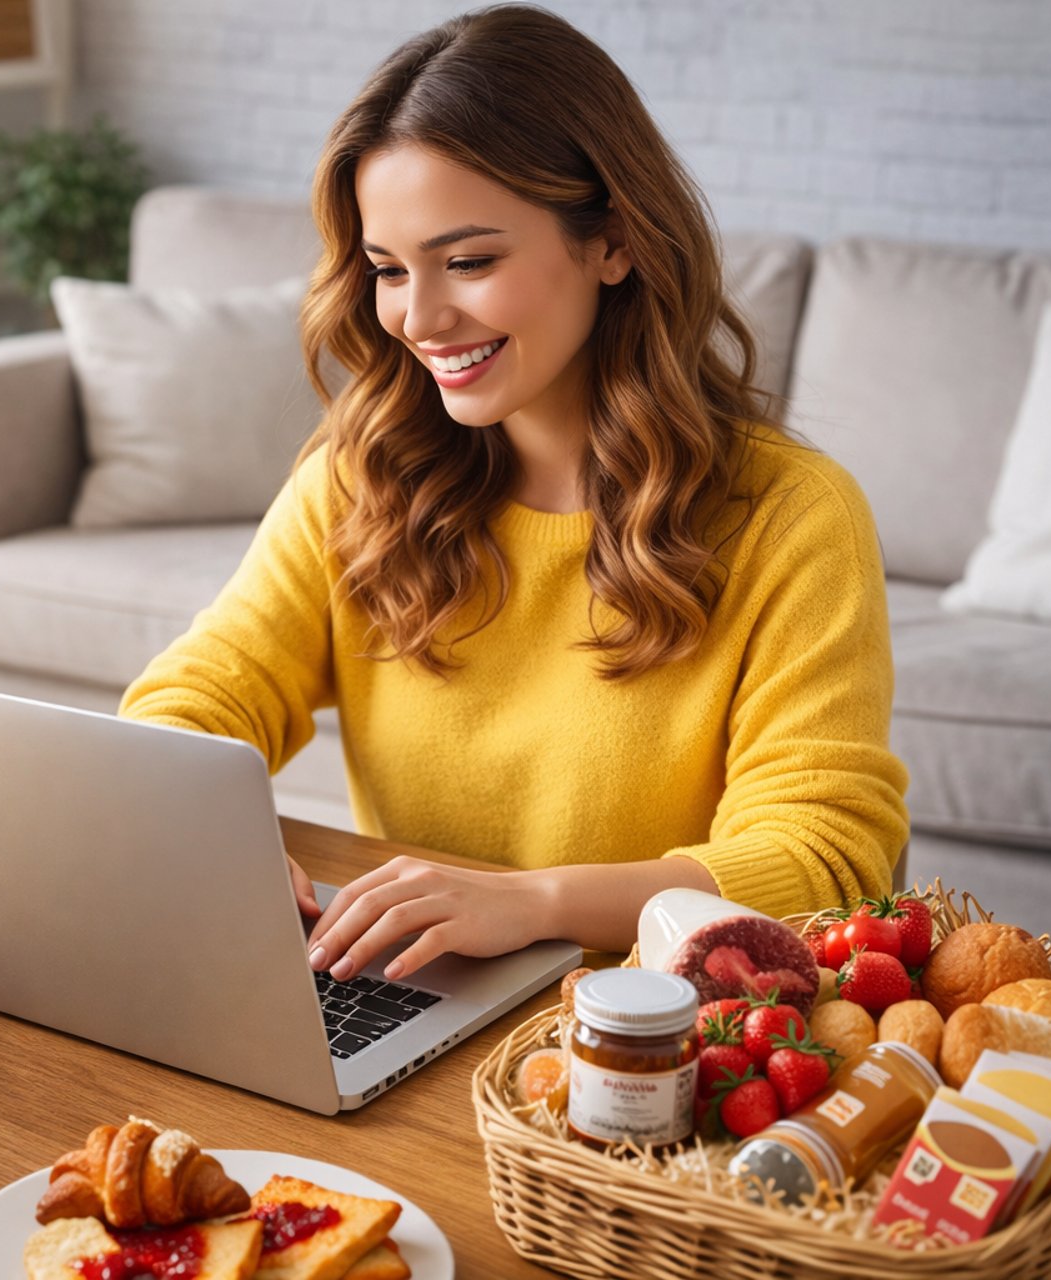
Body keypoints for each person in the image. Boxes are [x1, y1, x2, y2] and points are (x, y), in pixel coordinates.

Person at [119, 5, 909, 980]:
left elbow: (821, 861)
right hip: (417, 998)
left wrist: (531, 903)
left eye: (470, 261)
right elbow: (193, 696)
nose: (420, 315)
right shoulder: (363, 473)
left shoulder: (793, 516)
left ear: (613, 241)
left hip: (659, 1037)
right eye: (387, 270)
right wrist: (205, 831)